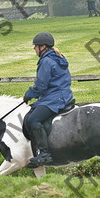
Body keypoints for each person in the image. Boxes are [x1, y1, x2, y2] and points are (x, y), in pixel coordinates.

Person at [23, 32, 74, 168]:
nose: (34, 49)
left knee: (33, 119)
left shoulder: (46, 61)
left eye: (35, 47)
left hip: (54, 99)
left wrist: (29, 94)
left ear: (42, 47)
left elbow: (41, 85)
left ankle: (44, 154)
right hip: (62, 95)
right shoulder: (58, 57)